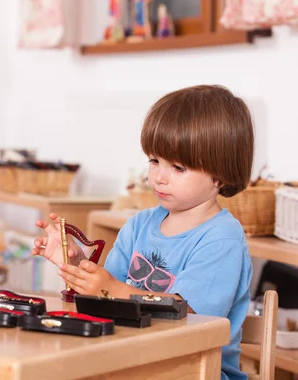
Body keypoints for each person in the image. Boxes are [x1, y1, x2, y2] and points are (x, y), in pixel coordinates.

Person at [32, 85, 254, 380]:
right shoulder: (139, 225)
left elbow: (191, 316)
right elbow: (106, 297)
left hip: (196, 369)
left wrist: (113, 288)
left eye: (178, 167)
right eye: (154, 161)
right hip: (135, 359)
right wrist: (74, 268)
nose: (159, 177)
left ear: (219, 175)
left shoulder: (222, 238)